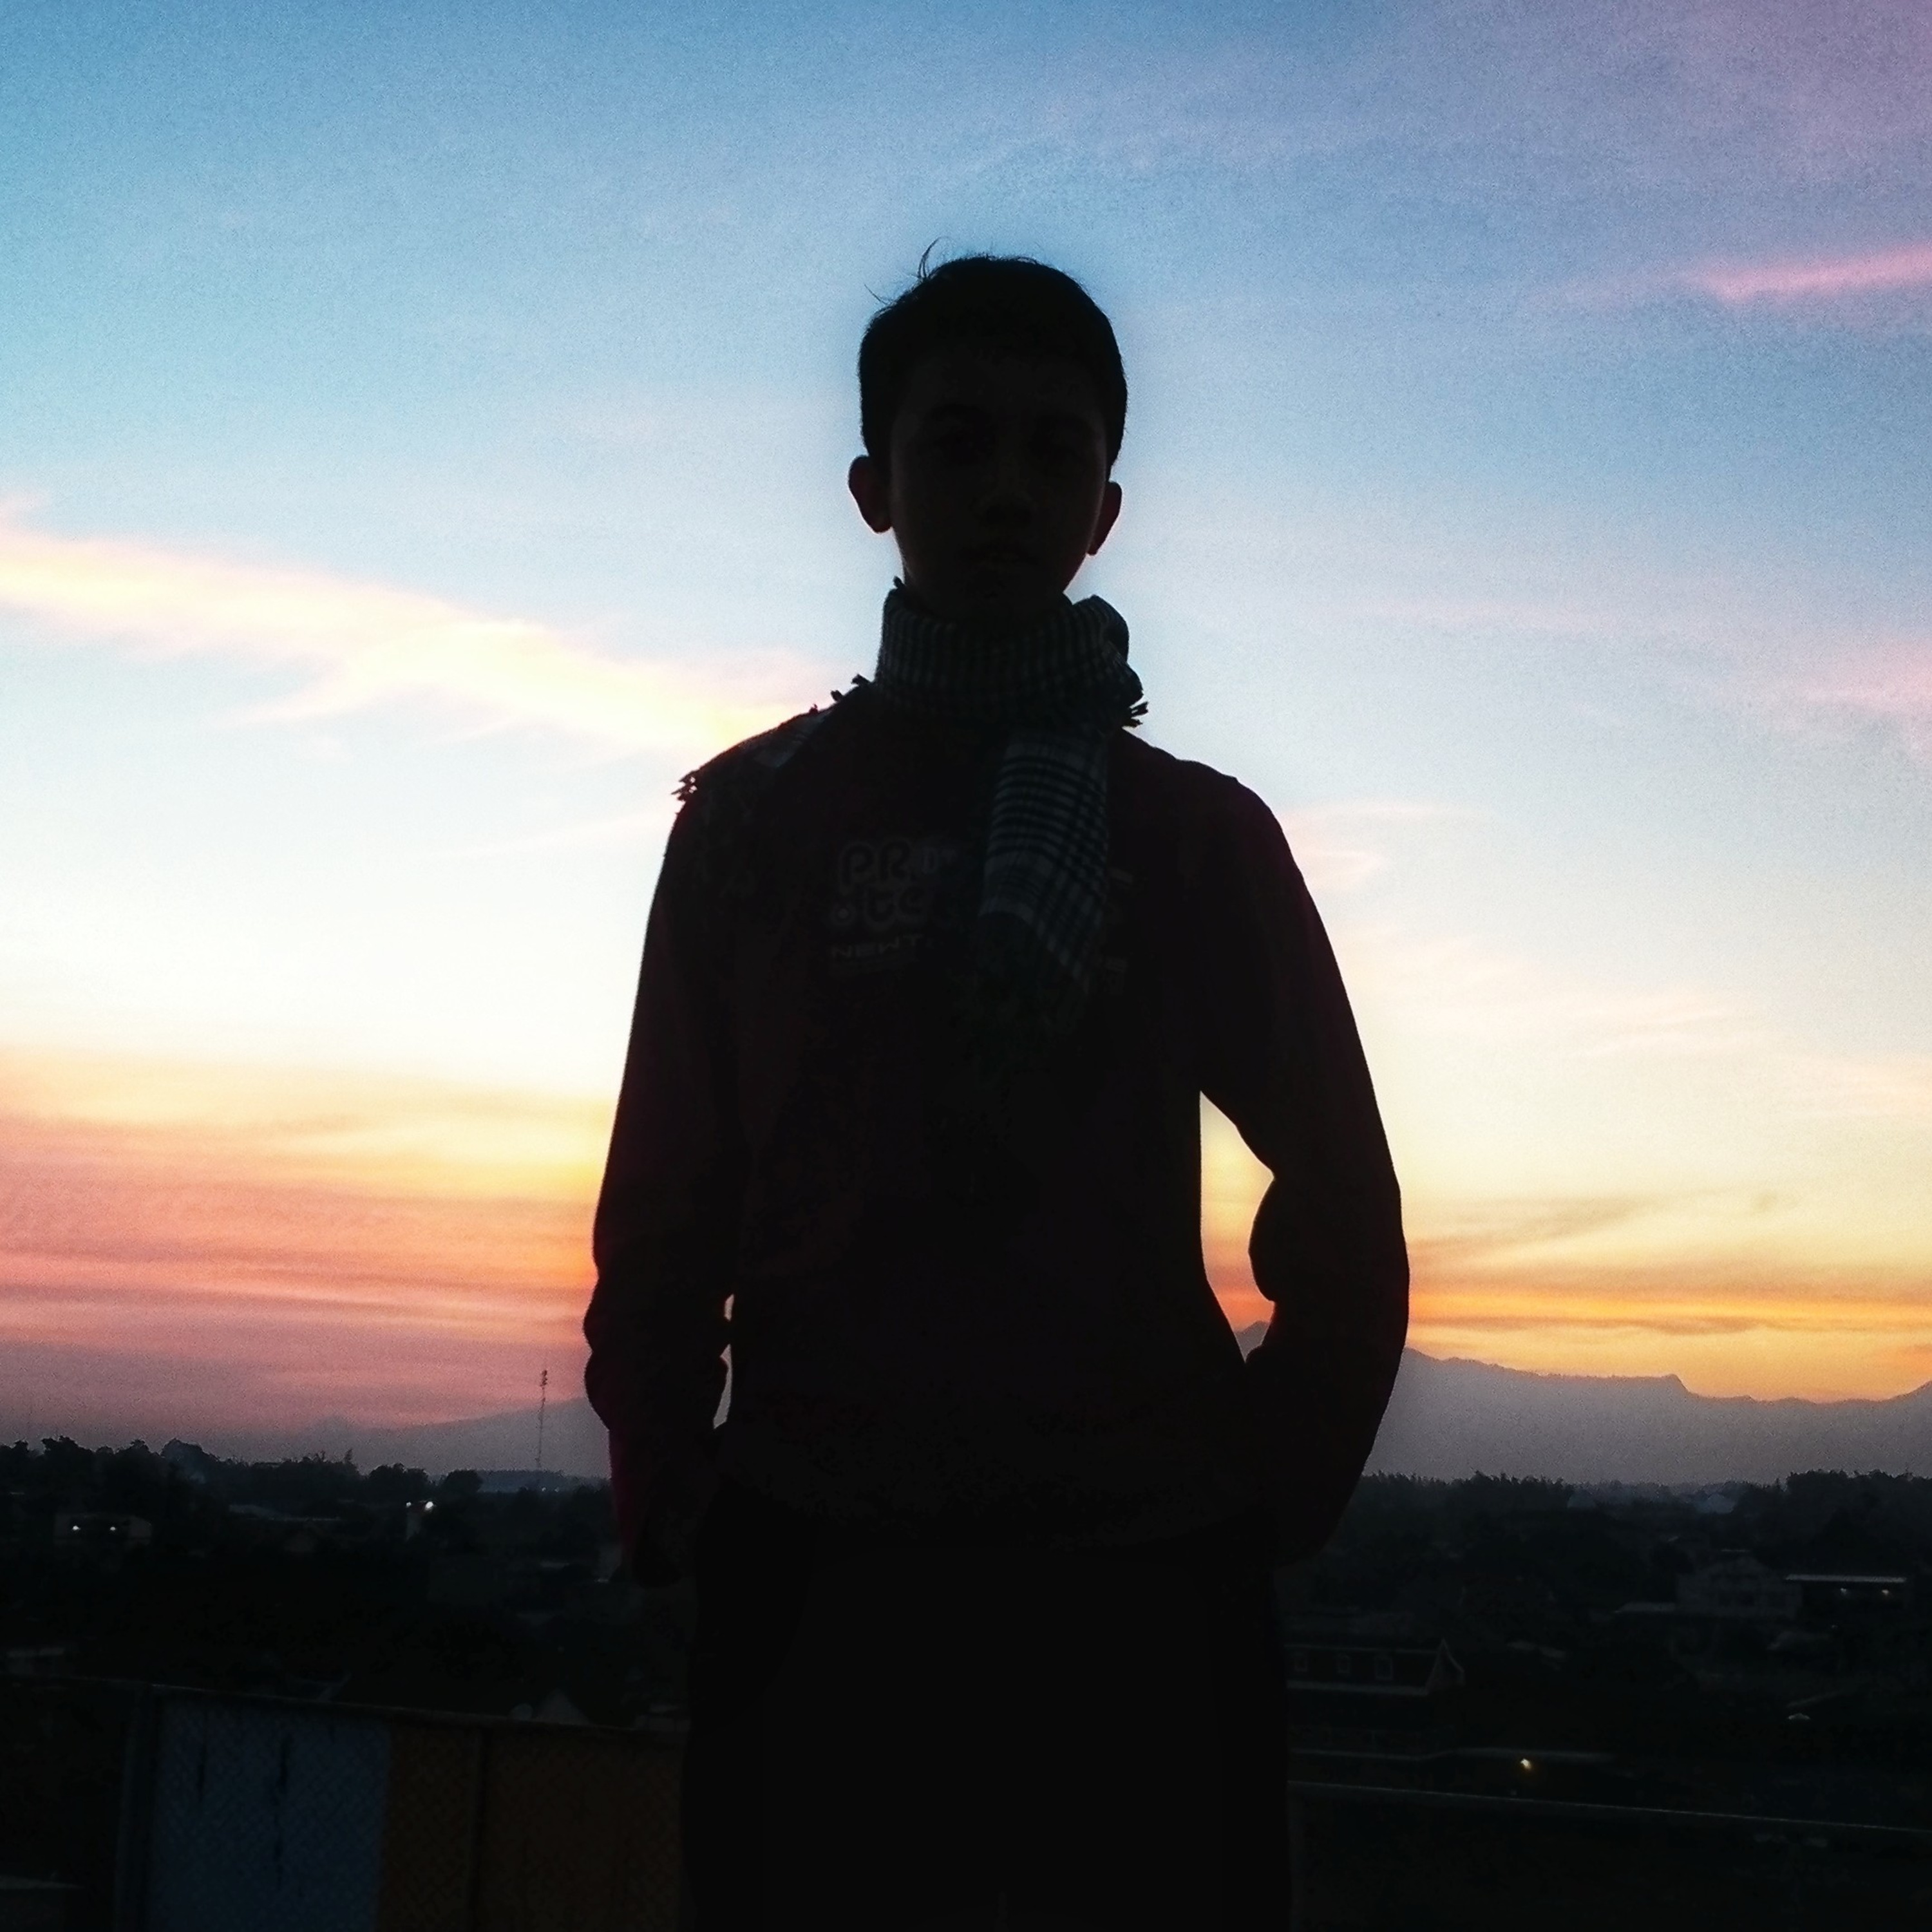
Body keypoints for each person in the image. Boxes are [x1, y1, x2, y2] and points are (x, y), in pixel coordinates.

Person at [583, 254, 1408, 1931]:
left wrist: (1259, 1493)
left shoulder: (1192, 839)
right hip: (817, 1579)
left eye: (1054, 452)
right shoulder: (753, 825)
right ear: (875, 487)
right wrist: (673, 1497)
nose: (1007, 491)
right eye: (958, 444)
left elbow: (1345, 1200)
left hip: (1138, 1600)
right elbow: (668, 1202)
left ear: (1104, 511)